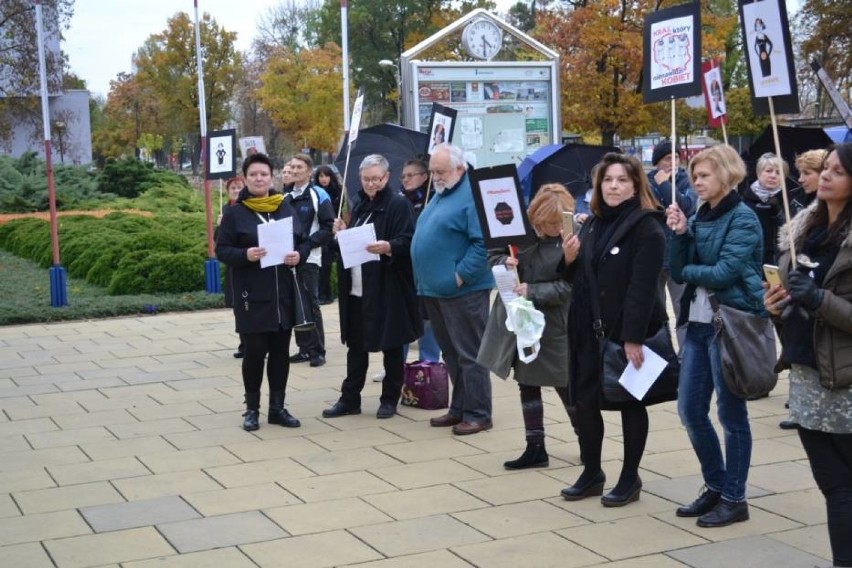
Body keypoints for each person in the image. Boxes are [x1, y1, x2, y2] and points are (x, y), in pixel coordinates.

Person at [559, 152, 670, 507]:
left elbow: (644, 288)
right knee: (585, 402)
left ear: (636, 184)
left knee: (629, 404)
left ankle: (629, 477)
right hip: (587, 329)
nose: (613, 186)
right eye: (607, 180)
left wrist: (632, 338)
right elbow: (580, 277)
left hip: (624, 331)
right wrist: (570, 259)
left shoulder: (647, 226)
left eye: (622, 180)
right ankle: (592, 471)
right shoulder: (592, 223)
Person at [666, 144, 765, 528]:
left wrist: (690, 268)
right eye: (694, 177)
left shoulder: (742, 218)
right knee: (690, 409)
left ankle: (735, 497)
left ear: (726, 174)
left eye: (704, 175)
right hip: (698, 324)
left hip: (732, 325)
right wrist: (678, 233)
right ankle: (716, 484)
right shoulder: (698, 216)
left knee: (730, 413)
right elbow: (676, 268)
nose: (697, 183)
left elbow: (724, 272)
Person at [764, 142, 852, 568]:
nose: (827, 176)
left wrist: (817, 298)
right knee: (833, 486)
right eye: (827, 168)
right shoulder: (808, 231)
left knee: (845, 487)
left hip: (846, 382)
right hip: (806, 374)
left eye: (838, 170)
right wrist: (779, 304)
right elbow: (796, 304)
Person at [478, 184, 577, 469]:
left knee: (564, 383)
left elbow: (571, 285)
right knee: (527, 381)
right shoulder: (514, 229)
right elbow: (492, 255)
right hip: (518, 317)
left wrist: (532, 290)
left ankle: (586, 438)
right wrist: (503, 263)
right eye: (549, 224)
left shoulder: (571, 238)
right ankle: (535, 446)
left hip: (553, 322)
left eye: (560, 223)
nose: (556, 229)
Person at [321, 154, 421, 419]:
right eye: (366, 179)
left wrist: (389, 247)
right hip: (356, 287)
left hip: (386, 287)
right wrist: (341, 233)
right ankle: (349, 398)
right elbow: (349, 245)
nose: (371, 184)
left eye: (376, 178)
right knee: (356, 346)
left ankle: (389, 398)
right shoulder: (360, 205)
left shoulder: (398, 205)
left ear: (386, 177)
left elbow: (409, 240)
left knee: (391, 345)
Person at [411, 143, 495, 435]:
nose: (435, 176)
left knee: (470, 354)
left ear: (460, 168)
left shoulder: (471, 195)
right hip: (435, 290)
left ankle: (479, 413)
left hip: (462, 291)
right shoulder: (443, 193)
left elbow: (483, 242)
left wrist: (459, 276)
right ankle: (460, 407)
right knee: (451, 353)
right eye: (432, 171)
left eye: (441, 171)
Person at [215, 153, 303, 431]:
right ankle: (251, 409)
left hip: (282, 293)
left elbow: (301, 242)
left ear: (271, 177)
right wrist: (246, 254)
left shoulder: (283, 207)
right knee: (254, 353)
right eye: (253, 174)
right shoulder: (234, 213)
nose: (259, 179)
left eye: (264, 174)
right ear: (245, 178)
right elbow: (222, 251)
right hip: (251, 294)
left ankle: (277, 409)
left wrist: (298, 255)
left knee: (280, 353)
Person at [648, 140, 697, 351]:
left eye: (676, 157)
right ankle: (663, 355)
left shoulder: (686, 181)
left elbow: (685, 206)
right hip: (653, 257)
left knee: (683, 311)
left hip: (679, 257)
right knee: (655, 312)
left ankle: (685, 358)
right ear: (657, 162)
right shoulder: (646, 182)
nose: (673, 162)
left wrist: (665, 185)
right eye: (668, 158)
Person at [286, 154, 335, 368]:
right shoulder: (285, 195)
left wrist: (306, 246)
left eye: (299, 167)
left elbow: (327, 227)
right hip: (288, 258)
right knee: (295, 303)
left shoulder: (318, 194)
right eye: (292, 167)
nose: (294, 170)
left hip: (310, 258)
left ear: (309, 171)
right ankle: (303, 348)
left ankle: (317, 350)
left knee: (310, 302)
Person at [742, 152, 788, 265]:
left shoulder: (788, 200)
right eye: (768, 171)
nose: (773, 176)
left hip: (777, 259)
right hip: (751, 258)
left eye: (778, 173)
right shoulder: (745, 199)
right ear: (758, 173)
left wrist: (779, 213)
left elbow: (791, 231)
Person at [218, 176, 246, 359]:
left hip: (249, 261)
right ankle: (244, 343)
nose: (236, 190)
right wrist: (219, 226)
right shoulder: (226, 210)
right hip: (233, 265)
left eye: (239, 187)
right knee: (238, 306)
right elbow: (219, 244)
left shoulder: (248, 208)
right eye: (233, 188)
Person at [314, 165, 343, 305]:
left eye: (326, 176)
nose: (324, 179)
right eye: (321, 176)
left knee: (327, 264)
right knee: (322, 264)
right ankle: (322, 293)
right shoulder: (315, 192)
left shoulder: (338, 192)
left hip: (334, 229)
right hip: (322, 230)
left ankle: (327, 293)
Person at [790, 149, 827, 216]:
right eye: (800, 173)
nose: (800, 179)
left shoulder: (835, 206)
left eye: (807, 173)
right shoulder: (794, 195)